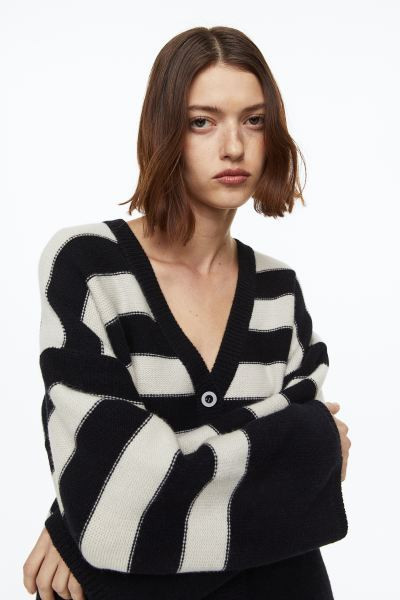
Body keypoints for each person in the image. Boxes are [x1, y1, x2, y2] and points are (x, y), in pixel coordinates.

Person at [23, 25, 350, 600]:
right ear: (164, 131)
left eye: (254, 120)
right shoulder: (90, 266)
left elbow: (131, 501)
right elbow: (120, 491)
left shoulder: (278, 288)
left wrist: (96, 515)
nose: (234, 147)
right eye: (203, 122)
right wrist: (293, 444)